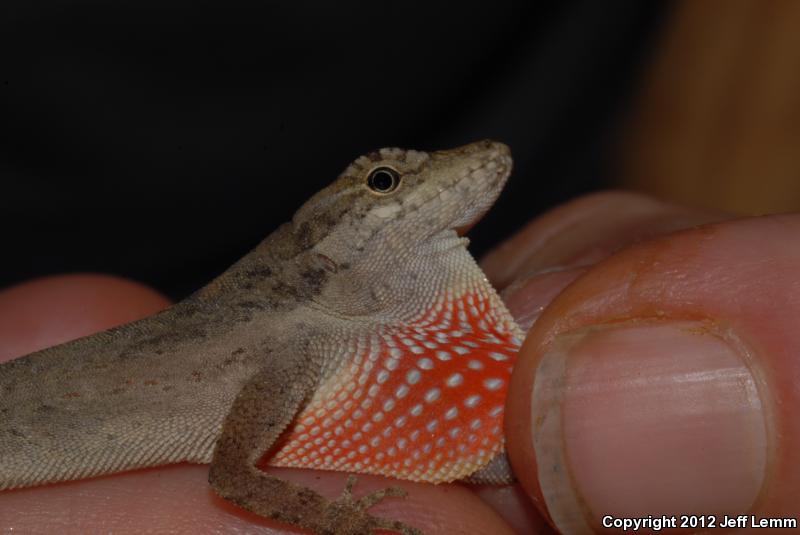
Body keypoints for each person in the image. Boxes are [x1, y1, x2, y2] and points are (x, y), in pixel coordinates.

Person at [1, 192, 796, 533]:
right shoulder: (282, 344)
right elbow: (233, 481)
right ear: (321, 249)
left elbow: (493, 463)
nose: (427, 183)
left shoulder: (298, 347)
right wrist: (346, 521)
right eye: (386, 181)